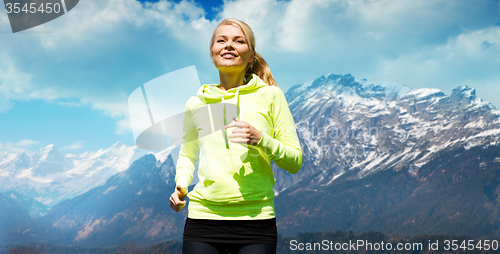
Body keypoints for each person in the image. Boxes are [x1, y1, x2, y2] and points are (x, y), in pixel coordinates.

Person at [170, 18, 303, 254]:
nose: (229, 45)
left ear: (251, 55)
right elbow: (187, 154)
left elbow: (294, 162)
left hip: (257, 221)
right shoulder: (195, 103)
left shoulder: (271, 96)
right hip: (203, 219)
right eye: (221, 40)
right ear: (212, 53)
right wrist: (180, 184)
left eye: (239, 41)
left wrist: (262, 139)